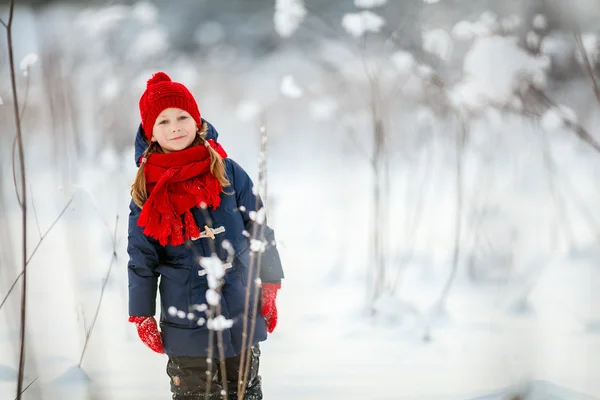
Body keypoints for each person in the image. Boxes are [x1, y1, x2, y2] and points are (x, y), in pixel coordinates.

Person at [127, 72, 284, 400]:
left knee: (246, 392)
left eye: (183, 117)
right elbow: (141, 259)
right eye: (163, 121)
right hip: (188, 324)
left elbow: (259, 229)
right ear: (150, 133)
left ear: (197, 121)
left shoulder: (227, 172)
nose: (175, 127)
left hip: (241, 312)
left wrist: (269, 286)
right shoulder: (147, 190)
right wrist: (142, 314)